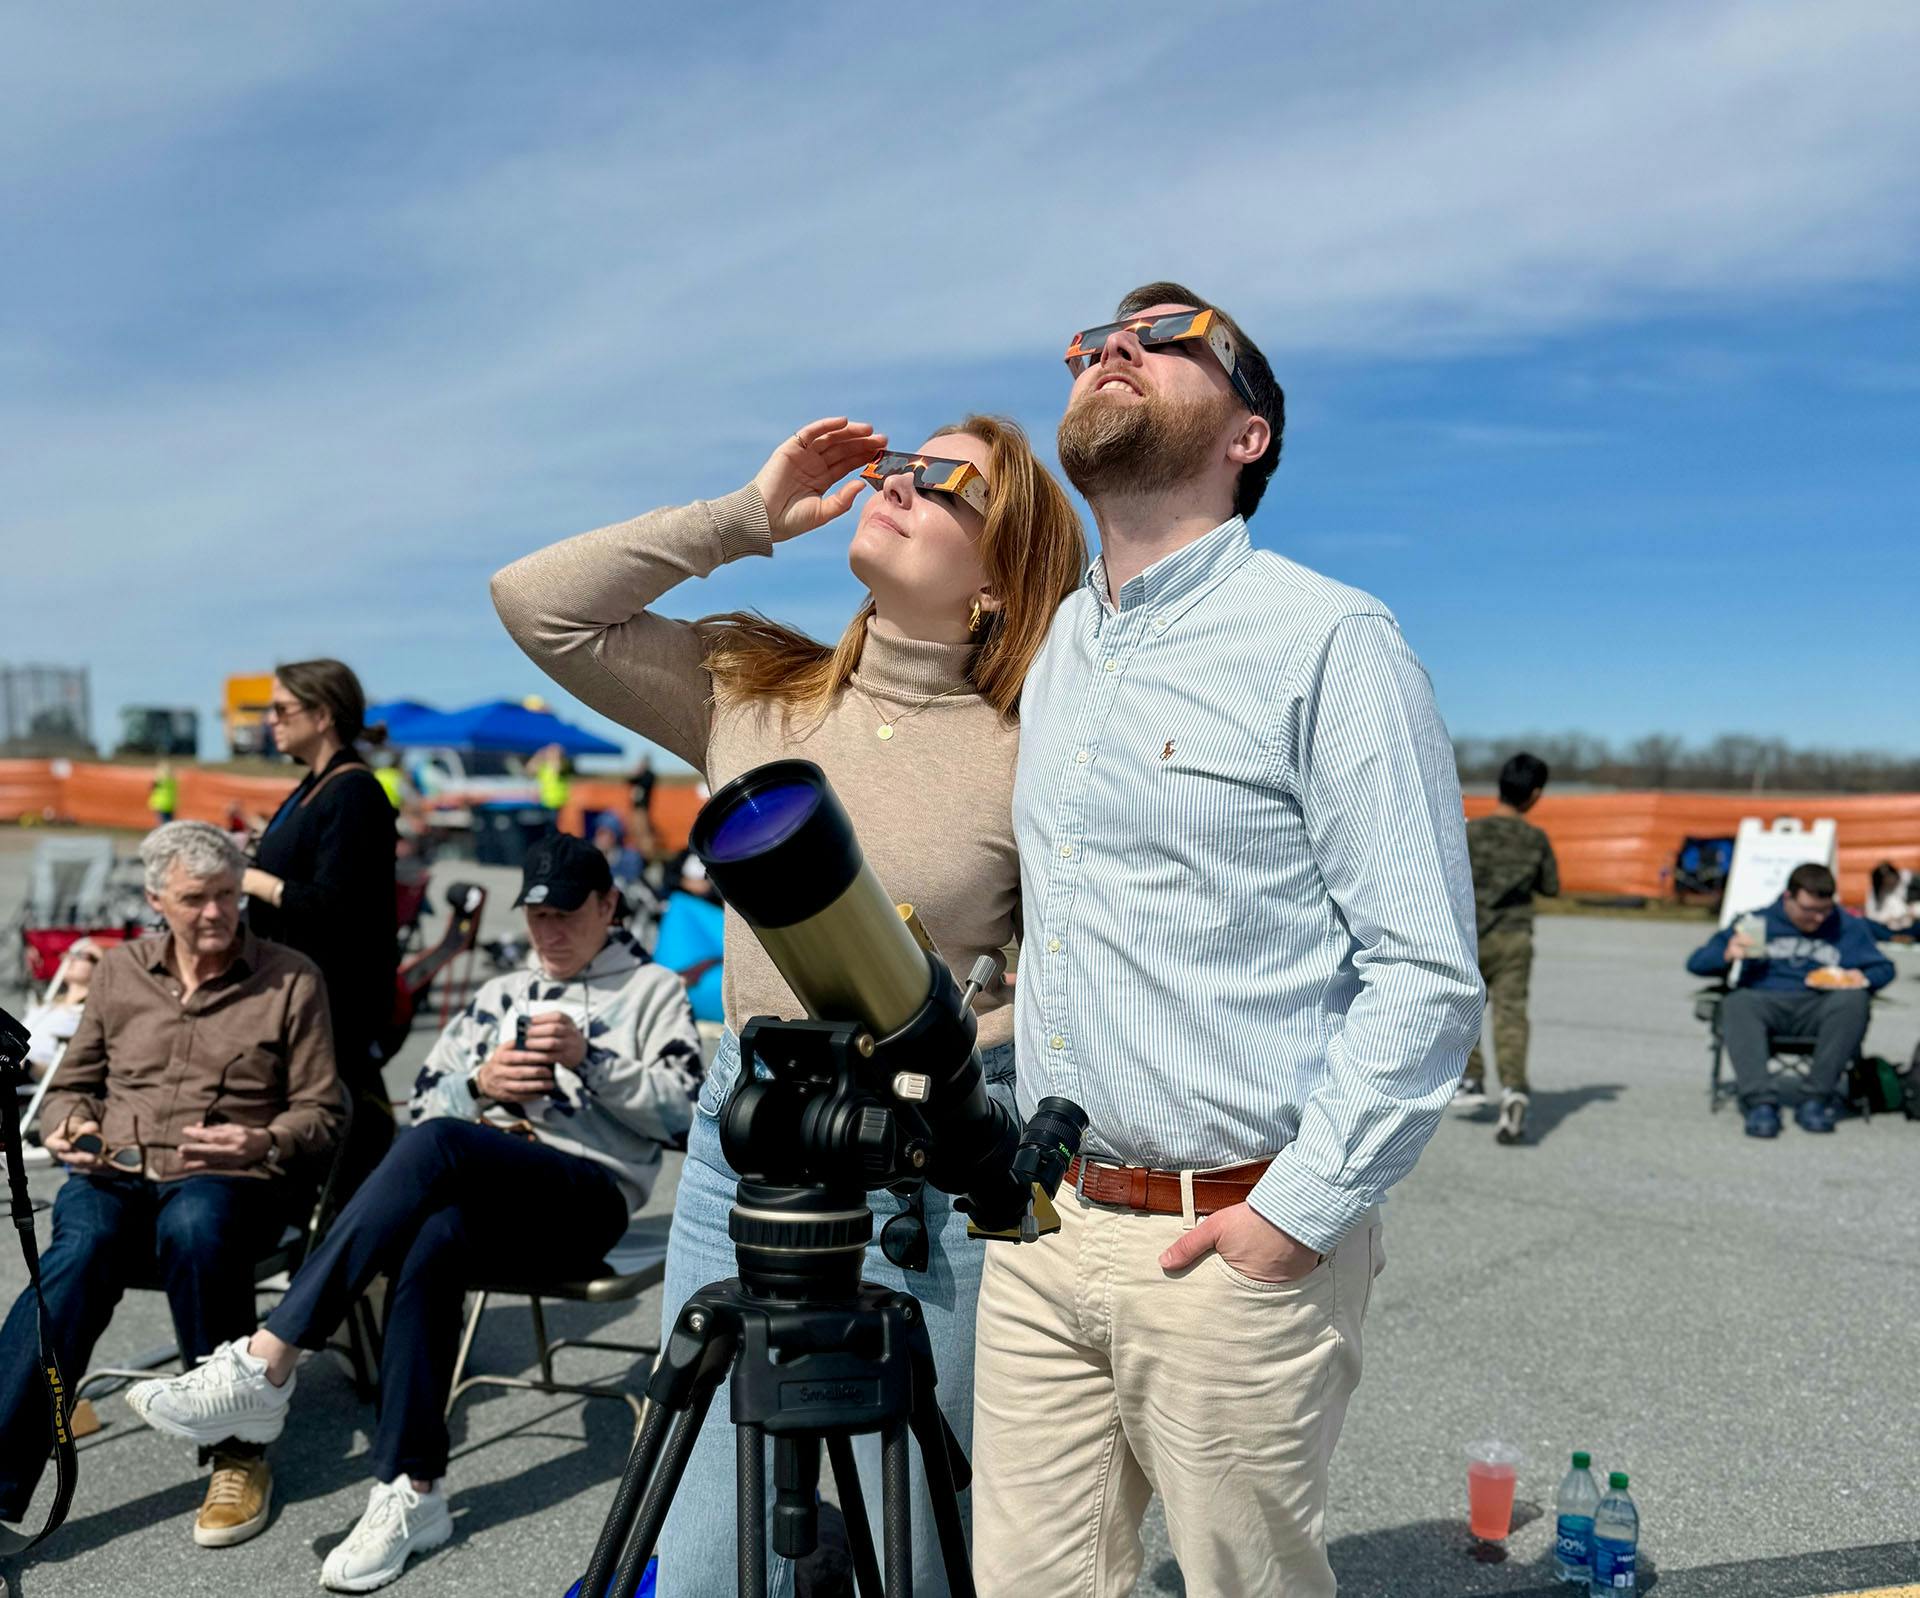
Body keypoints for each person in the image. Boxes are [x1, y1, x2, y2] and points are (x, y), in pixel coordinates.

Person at [491, 413, 1084, 1597]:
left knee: (913, 1538)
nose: (900, 482)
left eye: (945, 479)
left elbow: (1076, 973)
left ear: (1006, 561)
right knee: (712, 1556)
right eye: (899, 464)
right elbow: (535, 602)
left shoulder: (1039, 744)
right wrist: (744, 518)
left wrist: (970, 1054)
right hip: (746, 1142)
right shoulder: (750, 683)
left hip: (924, 1157)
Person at [970, 284, 1483, 1598]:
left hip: (1230, 1233)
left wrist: (1295, 1215)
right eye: (1092, 342)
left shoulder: (1328, 641)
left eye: (1166, 335)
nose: (1110, 348)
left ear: (1248, 434)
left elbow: (1425, 972)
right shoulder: (1061, 643)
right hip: (1049, 1227)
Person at [127, 832, 703, 1591]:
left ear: (607, 905)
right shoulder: (502, 994)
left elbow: (688, 1115)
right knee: (434, 1237)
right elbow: (432, 1098)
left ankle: (269, 1360)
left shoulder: (653, 989)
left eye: (567, 914)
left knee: (436, 1153)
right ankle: (412, 1489)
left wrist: (589, 1060)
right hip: (492, 1191)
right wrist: (484, 1088)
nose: (549, 933)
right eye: (536, 917)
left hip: (588, 1199)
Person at [0, 822, 341, 1547]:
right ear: (157, 899)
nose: (216, 913)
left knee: (197, 1226)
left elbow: (323, 1111)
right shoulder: (121, 971)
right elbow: (73, 1083)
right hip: (114, 1171)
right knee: (77, 1252)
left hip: (226, 1176)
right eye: (196, 899)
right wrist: (65, 1125)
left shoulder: (291, 977)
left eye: (227, 895)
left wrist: (264, 1138)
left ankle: (236, 1452)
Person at [242, 659, 399, 1186]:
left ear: (323, 714)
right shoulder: (317, 783)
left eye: (281, 708)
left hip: (335, 1001)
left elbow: (336, 906)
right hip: (302, 989)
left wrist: (248, 879)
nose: (271, 720)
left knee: (341, 1143)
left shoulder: (353, 792)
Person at [1687, 861, 1895, 1137]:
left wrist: (1862, 978)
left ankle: (1816, 1098)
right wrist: (1726, 954)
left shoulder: (1847, 927)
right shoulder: (1755, 922)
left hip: (1819, 1009)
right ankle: (1759, 1102)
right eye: (1809, 910)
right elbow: (1696, 963)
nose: (1818, 919)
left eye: (1824, 910)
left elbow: (1884, 967)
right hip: (1764, 1003)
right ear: (1788, 897)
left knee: (1854, 1000)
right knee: (1737, 1001)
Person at [1456, 750, 1560, 1143]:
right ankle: (1514, 1089)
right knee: (1511, 1015)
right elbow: (1551, 886)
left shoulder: (1471, 833)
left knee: (1467, 1009)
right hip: (1515, 938)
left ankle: (1472, 1078)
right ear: (1534, 794)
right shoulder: (1535, 839)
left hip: (1474, 936)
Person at [651, 852, 725, 1024]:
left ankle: (684, 977)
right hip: (689, 924)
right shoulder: (685, 855)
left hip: (711, 919)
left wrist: (709, 887)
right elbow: (668, 877)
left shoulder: (718, 853)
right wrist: (687, 883)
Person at [20, 936, 103, 1080]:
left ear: (101, 968)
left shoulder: (90, 1013)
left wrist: (27, 1065)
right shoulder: (45, 1005)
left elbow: (74, 1071)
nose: (70, 959)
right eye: (68, 953)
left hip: (36, 1077)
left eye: (81, 955)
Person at [1864, 860, 1917, 936]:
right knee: (1866, 924)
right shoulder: (1876, 892)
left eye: (1890, 877)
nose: (1889, 881)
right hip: (1886, 927)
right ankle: (1893, 938)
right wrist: (1885, 919)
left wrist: (1913, 913)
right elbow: (1871, 914)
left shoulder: (1910, 882)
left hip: (1910, 925)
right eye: (1885, 880)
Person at [147, 761, 178, 825]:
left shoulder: (159, 782)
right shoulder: (173, 782)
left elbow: (151, 788)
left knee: (163, 822)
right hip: (170, 805)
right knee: (169, 821)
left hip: (161, 805)